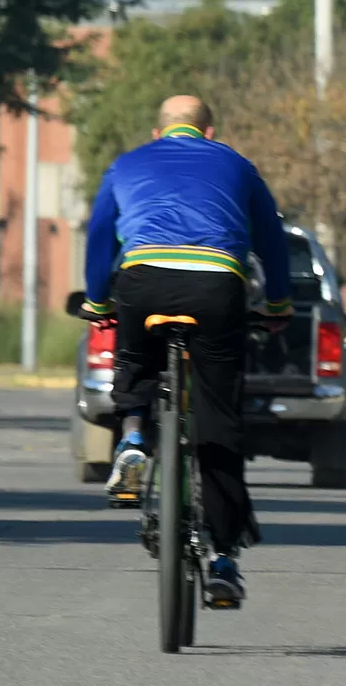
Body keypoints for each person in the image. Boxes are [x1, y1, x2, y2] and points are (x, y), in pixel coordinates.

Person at [83, 95, 293, 606]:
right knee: (219, 419)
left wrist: (96, 301)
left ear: (159, 133)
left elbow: (97, 237)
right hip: (217, 284)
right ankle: (223, 558)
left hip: (144, 279)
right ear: (210, 132)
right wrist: (280, 303)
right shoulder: (237, 164)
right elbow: (272, 238)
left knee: (134, 361)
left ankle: (133, 441)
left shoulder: (127, 163)